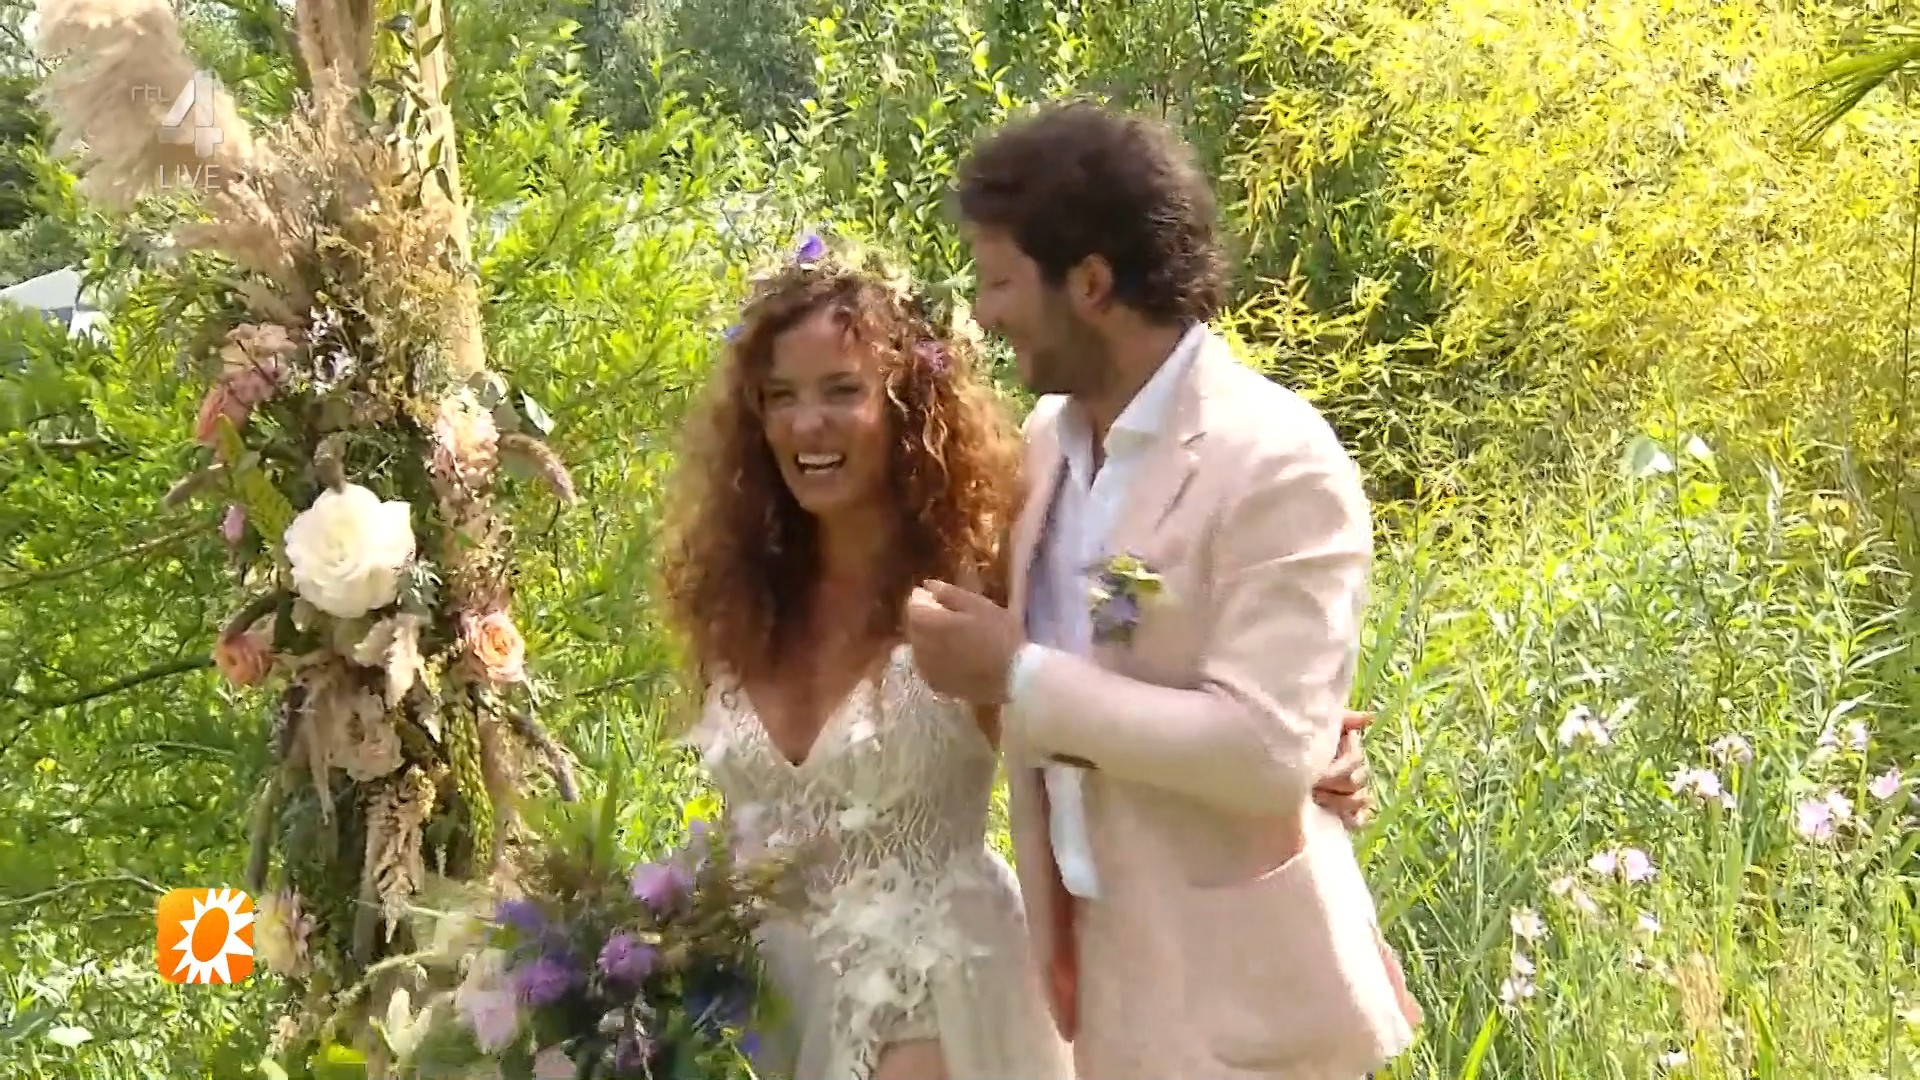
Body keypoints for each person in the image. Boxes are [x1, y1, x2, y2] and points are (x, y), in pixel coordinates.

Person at [660, 233, 1378, 1080]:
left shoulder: (992, 565)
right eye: (779, 396)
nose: (805, 423)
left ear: (906, 402)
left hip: (937, 994)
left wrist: (1302, 743)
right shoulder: (737, 592)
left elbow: (1114, 686)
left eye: (841, 390)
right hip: (764, 1004)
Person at [904, 100, 1422, 1080]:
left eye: (1001, 280)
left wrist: (1016, 676)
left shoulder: (1276, 461)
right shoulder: (1049, 444)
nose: (985, 311)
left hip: (1246, 1010)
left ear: (1091, 283)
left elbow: (1266, 751)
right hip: (1101, 992)